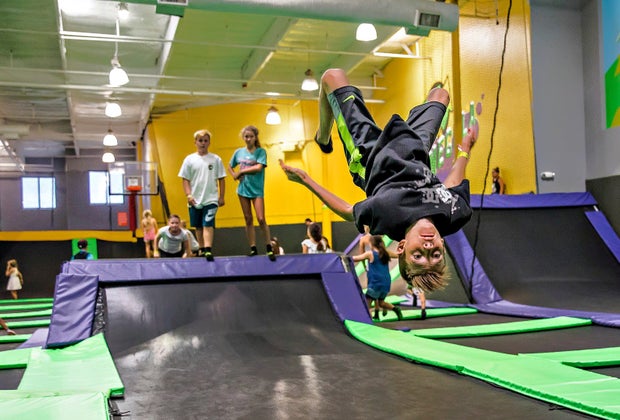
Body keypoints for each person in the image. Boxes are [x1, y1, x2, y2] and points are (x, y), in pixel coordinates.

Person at [279, 68, 477, 293]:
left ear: (401, 247)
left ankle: (323, 135)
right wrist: (464, 150)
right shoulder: (453, 214)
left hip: (369, 153)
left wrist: (306, 179)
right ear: (442, 244)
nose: (428, 246)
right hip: (413, 148)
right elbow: (452, 184)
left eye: (418, 254)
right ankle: (414, 116)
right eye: (435, 254)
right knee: (441, 95)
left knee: (331, 77)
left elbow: (347, 210)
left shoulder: (387, 215)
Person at [228, 125, 276, 261]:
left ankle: (268, 247)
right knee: (248, 218)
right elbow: (230, 165)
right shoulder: (238, 152)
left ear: (255, 138)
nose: (248, 139)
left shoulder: (260, 152)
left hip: (257, 190)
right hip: (243, 189)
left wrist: (242, 171)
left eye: (251, 136)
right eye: (246, 137)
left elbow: (259, 167)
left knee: (261, 219)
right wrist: (234, 175)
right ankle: (253, 247)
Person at [178, 129, 226, 261]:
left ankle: (208, 249)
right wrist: (189, 195)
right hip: (195, 199)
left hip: (211, 198)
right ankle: (201, 248)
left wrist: (221, 196)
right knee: (198, 226)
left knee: (208, 224)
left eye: (205, 141)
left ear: (209, 142)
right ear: (195, 142)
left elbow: (221, 178)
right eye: (200, 141)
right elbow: (185, 179)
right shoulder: (189, 159)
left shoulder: (216, 159)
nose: (203, 143)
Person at [352, 235, 403, 321]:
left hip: (376, 283)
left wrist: (344, 258)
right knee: (381, 303)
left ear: (371, 244)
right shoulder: (386, 253)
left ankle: (369, 322)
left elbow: (356, 258)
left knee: (366, 304)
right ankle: (395, 309)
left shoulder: (370, 253)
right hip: (386, 283)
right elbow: (398, 256)